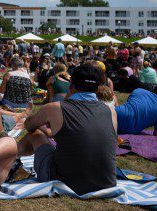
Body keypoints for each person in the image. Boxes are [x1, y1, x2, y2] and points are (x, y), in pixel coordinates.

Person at [16, 64, 117, 195]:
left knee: (35, 134)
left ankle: (9, 158)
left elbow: (29, 125)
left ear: (71, 85)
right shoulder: (111, 112)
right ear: (98, 88)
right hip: (106, 182)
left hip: (65, 181)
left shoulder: (55, 108)